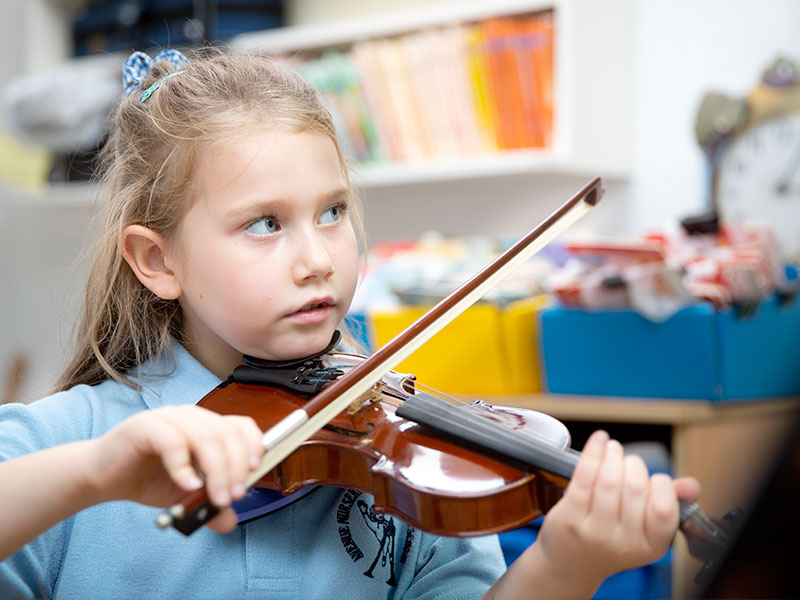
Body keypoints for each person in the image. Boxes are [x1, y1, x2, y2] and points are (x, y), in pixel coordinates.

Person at [0, 49, 700, 599]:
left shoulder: (413, 464)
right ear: (157, 260)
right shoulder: (74, 440)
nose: (318, 260)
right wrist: (90, 477)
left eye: (332, 212)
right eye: (265, 224)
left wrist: (566, 565)